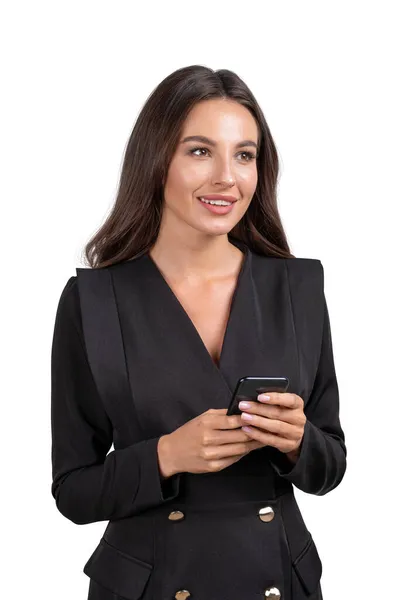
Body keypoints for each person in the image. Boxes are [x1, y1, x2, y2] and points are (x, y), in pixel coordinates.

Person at [50, 64, 347, 600]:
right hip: (151, 586)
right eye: (199, 151)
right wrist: (165, 456)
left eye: (244, 155)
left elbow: (332, 466)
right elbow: (74, 491)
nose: (227, 178)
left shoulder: (298, 287)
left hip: (279, 577)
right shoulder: (94, 302)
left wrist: (300, 442)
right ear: (156, 159)